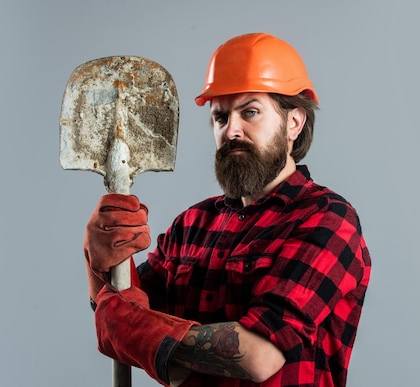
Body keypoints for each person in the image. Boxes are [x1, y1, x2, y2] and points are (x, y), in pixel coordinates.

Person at [83, 32, 372, 387]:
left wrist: (135, 329)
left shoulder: (326, 219)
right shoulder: (192, 225)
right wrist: (102, 262)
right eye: (220, 117)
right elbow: (121, 313)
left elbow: (258, 356)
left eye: (250, 112)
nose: (231, 129)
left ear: (294, 122)